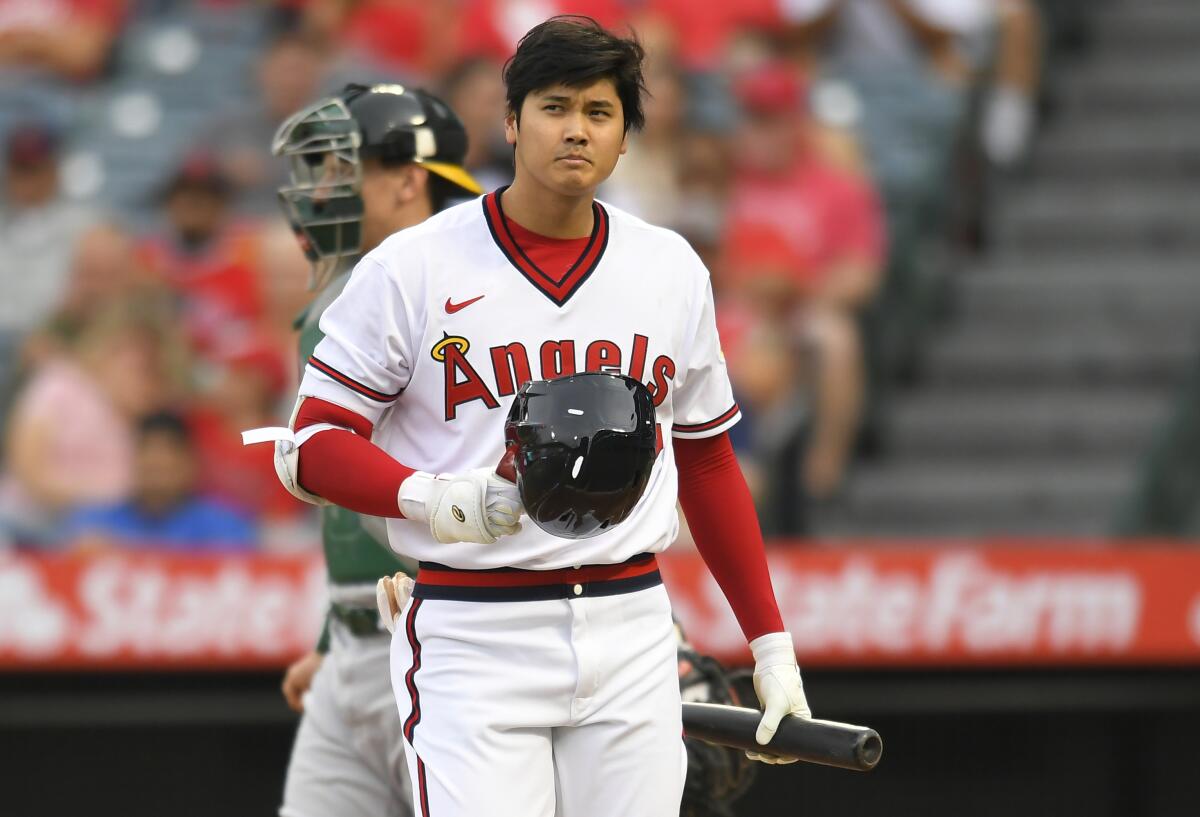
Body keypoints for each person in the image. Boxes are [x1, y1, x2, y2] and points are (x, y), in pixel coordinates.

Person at [268, 16, 814, 817]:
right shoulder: (412, 266)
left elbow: (706, 457)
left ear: (626, 136)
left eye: (600, 112)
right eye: (555, 107)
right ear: (512, 121)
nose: (576, 130)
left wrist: (770, 642)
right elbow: (308, 446)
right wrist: (428, 495)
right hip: (473, 626)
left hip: (632, 620)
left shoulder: (669, 268)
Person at [267, 81, 483, 817]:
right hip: (355, 637)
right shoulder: (341, 295)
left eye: (341, 169)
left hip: (449, 631)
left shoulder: (470, 296)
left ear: (407, 178)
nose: (322, 190)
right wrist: (335, 632)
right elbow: (342, 495)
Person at [62, 411, 257, 552]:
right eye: (150, 465)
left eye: (166, 465)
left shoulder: (225, 526)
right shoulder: (96, 522)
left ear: (190, 464)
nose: (156, 468)